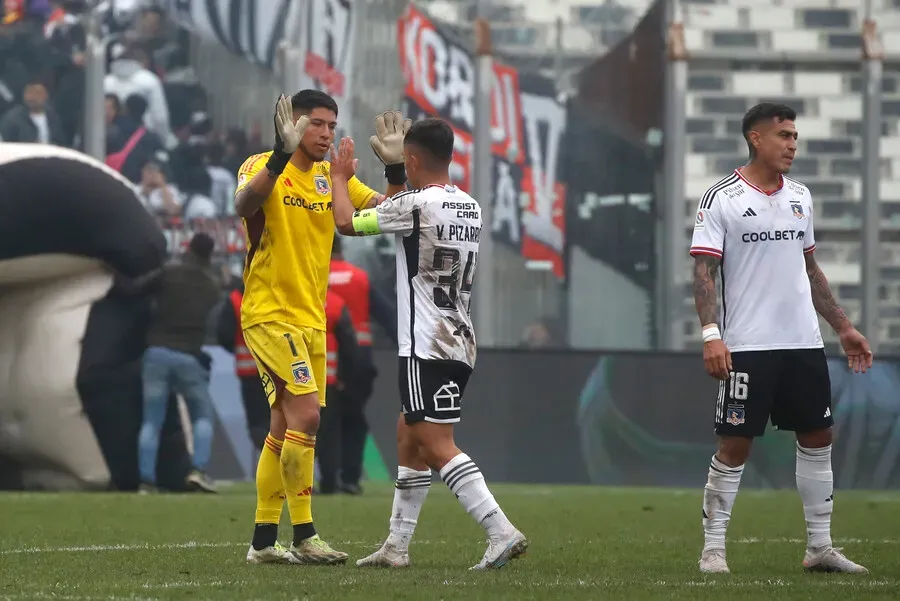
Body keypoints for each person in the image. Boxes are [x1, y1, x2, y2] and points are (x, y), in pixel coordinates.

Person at [330, 117, 527, 570]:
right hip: (459, 338)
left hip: (425, 342)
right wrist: (396, 172)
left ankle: (500, 530)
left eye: (406, 162)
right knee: (409, 435)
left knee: (434, 442)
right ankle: (396, 546)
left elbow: (345, 222)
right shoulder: (469, 206)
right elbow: (400, 213)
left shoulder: (416, 205)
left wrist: (340, 177)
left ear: (414, 160)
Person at [689, 102, 872, 575]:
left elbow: (809, 269)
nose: (793, 145)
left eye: (795, 136)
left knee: (818, 435)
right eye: (784, 135)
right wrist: (711, 335)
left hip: (803, 342)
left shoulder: (801, 196)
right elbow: (704, 273)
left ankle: (820, 547)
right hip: (748, 345)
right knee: (735, 443)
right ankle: (713, 550)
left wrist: (843, 327)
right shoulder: (721, 198)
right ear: (756, 138)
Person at [235, 92, 408, 565]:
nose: (327, 133)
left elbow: (387, 215)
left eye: (332, 125)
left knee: (284, 425)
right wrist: (279, 155)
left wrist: (395, 170)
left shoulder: (331, 177)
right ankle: (305, 535)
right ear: (292, 124)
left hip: (312, 319)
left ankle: (263, 541)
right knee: (308, 417)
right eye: (317, 123)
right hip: (270, 313)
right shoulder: (262, 165)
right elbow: (244, 203)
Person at [138, 232, 223, 494]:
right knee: (202, 416)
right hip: (188, 355)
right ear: (209, 255)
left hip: (157, 353)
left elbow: (137, 288)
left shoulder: (169, 274)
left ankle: (146, 480)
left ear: (188, 249)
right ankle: (198, 470)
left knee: (152, 421)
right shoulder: (212, 287)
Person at [326, 235, 396, 494]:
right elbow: (388, 316)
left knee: (324, 420)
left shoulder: (312, 278)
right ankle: (351, 478)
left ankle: (327, 478)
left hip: (323, 358)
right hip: (359, 359)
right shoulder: (359, 278)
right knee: (354, 418)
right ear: (341, 248)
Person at [316, 289, 363, 494]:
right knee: (328, 433)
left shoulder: (290, 297)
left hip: (292, 379)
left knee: (296, 431)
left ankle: (295, 482)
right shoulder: (334, 304)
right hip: (326, 380)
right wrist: (346, 377)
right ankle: (329, 481)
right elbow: (349, 346)